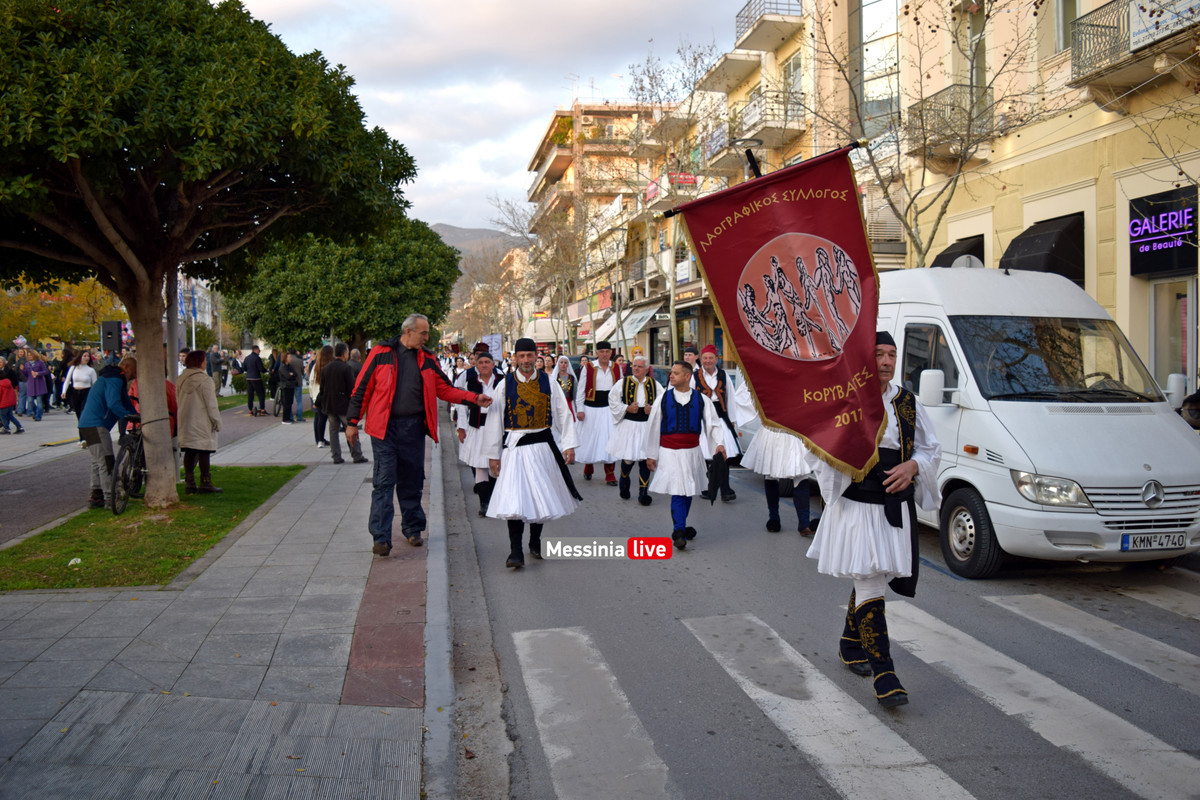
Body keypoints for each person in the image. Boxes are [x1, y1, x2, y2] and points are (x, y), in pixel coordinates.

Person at [805, 331, 941, 708]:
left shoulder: (907, 403)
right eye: (878, 354)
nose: (885, 361)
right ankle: (885, 673)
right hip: (856, 505)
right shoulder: (844, 400)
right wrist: (846, 459)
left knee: (873, 574)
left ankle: (851, 644)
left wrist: (913, 465)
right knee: (869, 581)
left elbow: (931, 449)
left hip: (893, 504)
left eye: (891, 354)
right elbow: (815, 449)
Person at [346, 313, 490, 554]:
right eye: (423, 333)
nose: (427, 337)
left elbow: (444, 389)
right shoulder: (380, 353)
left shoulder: (427, 359)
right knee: (383, 482)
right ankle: (380, 538)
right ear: (408, 332)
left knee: (412, 481)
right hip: (384, 430)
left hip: (413, 428)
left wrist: (473, 398)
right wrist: (352, 422)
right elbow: (362, 388)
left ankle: (413, 529)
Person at [484, 337, 580, 569]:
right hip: (514, 451)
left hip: (542, 449)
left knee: (540, 497)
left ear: (536, 356)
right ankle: (515, 551)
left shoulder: (548, 382)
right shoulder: (504, 384)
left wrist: (568, 444)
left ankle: (535, 541)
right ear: (515, 358)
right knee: (515, 501)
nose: (526, 360)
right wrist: (493, 454)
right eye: (522, 356)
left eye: (530, 355)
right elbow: (495, 421)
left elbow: (562, 414)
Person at [645, 361, 726, 550]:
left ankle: (681, 526)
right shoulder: (663, 399)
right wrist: (651, 454)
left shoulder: (701, 399)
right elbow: (653, 427)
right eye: (671, 373)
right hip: (669, 452)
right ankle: (679, 530)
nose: (671, 376)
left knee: (688, 489)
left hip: (692, 452)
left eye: (675, 373)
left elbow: (713, 424)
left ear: (687, 376)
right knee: (678, 490)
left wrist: (719, 444)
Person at [694, 344, 756, 501]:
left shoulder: (723, 375)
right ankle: (707, 486)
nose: (708, 361)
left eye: (710, 358)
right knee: (705, 455)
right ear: (701, 359)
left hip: (720, 417)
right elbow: (690, 398)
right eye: (705, 358)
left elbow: (730, 397)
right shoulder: (694, 377)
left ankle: (725, 489)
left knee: (723, 454)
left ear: (716, 359)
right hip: (701, 418)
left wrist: (732, 420)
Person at [78, 352, 138, 509]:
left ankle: (96, 495)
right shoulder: (116, 379)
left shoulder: (109, 377)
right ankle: (110, 498)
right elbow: (114, 403)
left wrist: (134, 414)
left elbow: (125, 402)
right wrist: (130, 416)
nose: (134, 376)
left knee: (97, 461)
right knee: (107, 461)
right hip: (97, 424)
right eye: (134, 372)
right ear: (125, 368)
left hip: (86, 423)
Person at [743, 423, 818, 535]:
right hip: (773, 429)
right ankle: (773, 517)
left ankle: (804, 523)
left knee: (800, 474)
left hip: (794, 429)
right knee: (770, 473)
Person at [608, 354, 662, 505]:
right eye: (634, 366)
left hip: (646, 425)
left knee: (645, 459)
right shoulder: (622, 383)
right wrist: (626, 408)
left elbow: (662, 401)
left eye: (639, 366)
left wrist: (651, 409)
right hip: (629, 425)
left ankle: (643, 493)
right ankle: (624, 480)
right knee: (629, 458)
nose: (636, 369)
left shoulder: (654, 384)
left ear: (646, 369)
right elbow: (612, 400)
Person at [455, 351, 504, 516]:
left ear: (493, 364)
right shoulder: (470, 382)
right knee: (480, 465)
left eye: (487, 362)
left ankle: (495, 501)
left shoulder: (502, 381)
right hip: (477, 426)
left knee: (495, 466)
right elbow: (462, 406)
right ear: (476, 365)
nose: (484, 365)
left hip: (498, 428)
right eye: (481, 362)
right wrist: (461, 428)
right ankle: (484, 503)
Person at [574, 340, 622, 485]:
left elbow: (620, 389)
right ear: (597, 353)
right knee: (590, 439)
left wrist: (621, 408)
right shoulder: (588, 367)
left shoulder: (616, 367)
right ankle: (589, 465)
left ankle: (610, 474)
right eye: (602, 352)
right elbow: (581, 389)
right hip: (591, 409)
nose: (605, 354)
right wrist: (580, 409)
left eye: (607, 352)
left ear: (611, 353)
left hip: (609, 409)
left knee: (610, 440)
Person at [176, 350, 223, 493]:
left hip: (185, 418)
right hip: (202, 420)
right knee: (204, 451)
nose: (206, 363)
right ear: (199, 362)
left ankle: (189, 483)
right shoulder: (205, 380)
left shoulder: (181, 379)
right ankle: (205, 482)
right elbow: (211, 404)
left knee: (189, 451)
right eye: (204, 360)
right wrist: (217, 421)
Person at [319, 343, 367, 465]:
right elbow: (352, 388)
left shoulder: (326, 368)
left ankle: (336, 456)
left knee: (333, 431)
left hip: (330, 405)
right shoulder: (346, 368)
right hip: (344, 406)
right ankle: (357, 455)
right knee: (350, 429)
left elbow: (322, 389)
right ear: (345, 353)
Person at [63, 350, 98, 442]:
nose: (87, 358)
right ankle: (83, 437)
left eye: (88, 356)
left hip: (86, 393)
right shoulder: (74, 367)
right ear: (80, 357)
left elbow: (95, 385)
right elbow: (67, 380)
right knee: (78, 415)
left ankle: (84, 439)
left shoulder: (91, 370)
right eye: (84, 356)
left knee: (83, 415)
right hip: (75, 393)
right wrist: (64, 391)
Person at [309, 345, 333, 447]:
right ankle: (325, 439)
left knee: (319, 418)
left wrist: (312, 396)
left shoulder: (316, 366)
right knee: (332, 419)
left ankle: (319, 439)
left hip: (317, 395)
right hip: (329, 395)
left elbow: (311, 381)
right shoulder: (331, 365)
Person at [549, 355, 576, 421]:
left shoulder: (572, 378)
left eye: (565, 362)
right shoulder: (554, 378)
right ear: (558, 364)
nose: (563, 364)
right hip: (558, 404)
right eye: (561, 362)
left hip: (569, 403)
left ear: (568, 364)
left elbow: (575, 393)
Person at [278, 348, 302, 424]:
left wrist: (291, 374)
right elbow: (288, 376)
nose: (290, 358)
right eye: (288, 357)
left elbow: (294, 374)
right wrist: (291, 374)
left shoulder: (289, 366)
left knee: (289, 403)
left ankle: (289, 418)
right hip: (286, 386)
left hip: (290, 386)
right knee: (286, 403)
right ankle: (285, 419)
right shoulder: (283, 367)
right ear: (285, 358)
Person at [0, 358, 23, 434]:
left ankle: (6, 428)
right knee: (10, 416)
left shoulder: (1, 385)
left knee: (3, 416)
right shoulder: (8, 382)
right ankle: (19, 427)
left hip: (3, 404)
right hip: (10, 403)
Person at [243, 345, 267, 416]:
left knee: (250, 395)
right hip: (256, 378)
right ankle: (262, 409)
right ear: (256, 350)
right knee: (261, 393)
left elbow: (244, 368)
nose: (259, 352)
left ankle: (250, 410)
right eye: (259, 350)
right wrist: (265, 370)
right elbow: (260, 368)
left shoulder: (247, 358)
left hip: (248, 378)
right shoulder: (257, 358)